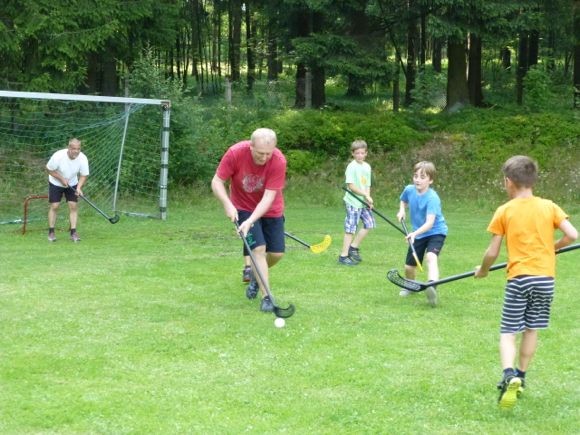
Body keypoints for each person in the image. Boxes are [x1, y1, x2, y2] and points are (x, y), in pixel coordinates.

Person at [474, 155, 577, 410]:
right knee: (532, 329)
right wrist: (552, 249)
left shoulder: (505, 210)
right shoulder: (549, 206)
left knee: (509, 332)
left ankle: (508, 374)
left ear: (508, 182)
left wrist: (483, 271)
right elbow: (573, 235)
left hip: (519, 278)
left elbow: (492, 252)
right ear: (533, 181)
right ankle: (521, 375)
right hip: (545, 278)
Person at [211, 128, 287, 313]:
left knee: (277, 254)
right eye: (260, 153)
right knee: (258, 249)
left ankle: (255, 275)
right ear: (251, 146)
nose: (265, 158)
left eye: (268, 153)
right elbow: (217, 181)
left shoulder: (278, 160)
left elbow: (269, 197)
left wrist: (252, 220)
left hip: (271, 209)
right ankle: (267, 297)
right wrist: (228, 205)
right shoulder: (236, 153)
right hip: (242, 207)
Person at [396, 161, 447, 307]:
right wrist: (402, 210)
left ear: (430, 180)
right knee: (408, 268)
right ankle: (410, 286)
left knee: (431, 257)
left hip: (436, 232)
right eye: (415, 175)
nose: (417, 179)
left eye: (422, 177)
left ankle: (432, 286)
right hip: (418, 233)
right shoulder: (409, 189)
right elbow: (403, 200)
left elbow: (430, 223)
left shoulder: (432, 198)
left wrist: (414, 233)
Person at [338, 139, 376, 266]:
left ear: (366, 153)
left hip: (362, 202)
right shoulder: (351, 167)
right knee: (351, 228)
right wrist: (365, 195)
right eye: (357, 153)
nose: (360, 155)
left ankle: (353, 247)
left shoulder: (367, 167)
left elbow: (367, 185)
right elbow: (351, 186)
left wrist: (368, 199)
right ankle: (343, 256)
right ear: (353, 153)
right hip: (353, 202)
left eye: (362, 153)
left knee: (369, 223)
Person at [46, 138, 89, 242]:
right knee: (55, 206)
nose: (76, 151)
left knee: (73, 206)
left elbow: (84, 175)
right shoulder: (58, 156)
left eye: (78, 149)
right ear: (69, 148)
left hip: (73, 183)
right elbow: (49, 169)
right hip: (56, 182)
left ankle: (73, 232)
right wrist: (61, 179)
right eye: (74, 148)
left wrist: (78, 188)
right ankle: (51, 232)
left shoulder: (82, 158)